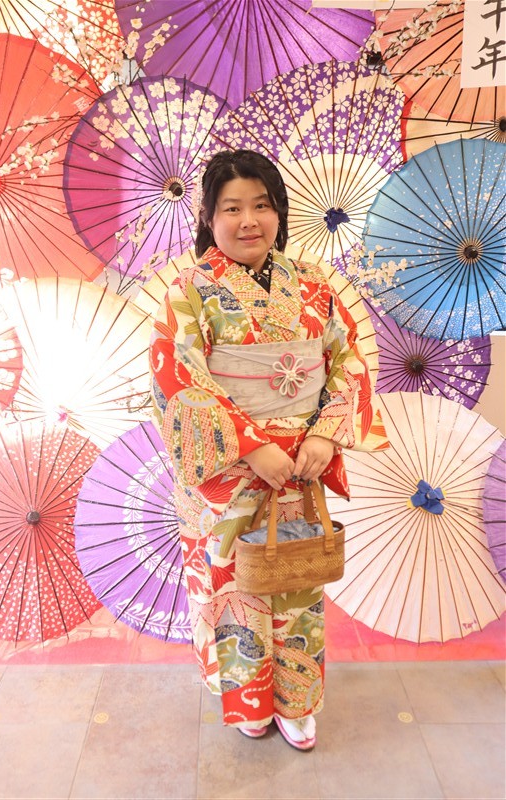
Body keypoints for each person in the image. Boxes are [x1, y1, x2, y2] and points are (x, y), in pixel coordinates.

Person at [149, 149, 388, 750]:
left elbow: (348, 360)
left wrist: (326, 433)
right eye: (232, 208)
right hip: (228, 473)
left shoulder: (313, 284)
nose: (248, 220)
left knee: (297, 579)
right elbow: (177, 381)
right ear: (209, 217)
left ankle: (297, 700)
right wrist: (253, 448)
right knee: (234, 583)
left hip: (301, 466)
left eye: (262, 205)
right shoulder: (189, 291)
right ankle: (249, 698)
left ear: (279, 211)